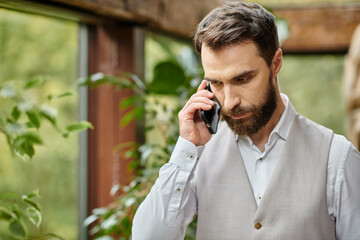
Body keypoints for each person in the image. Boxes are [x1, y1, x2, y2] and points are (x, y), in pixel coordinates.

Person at [132, 2, 360, 239]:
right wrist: (187, 148)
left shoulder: (337, 157)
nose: (229, 102)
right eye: (216, 83)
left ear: (276, 63)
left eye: (242, 79)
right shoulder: (198, 155)